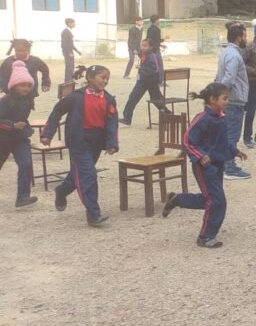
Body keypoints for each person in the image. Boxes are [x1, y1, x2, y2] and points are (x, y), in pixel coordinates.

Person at [163, 83, 247, 248]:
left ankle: (176, 199)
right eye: (224, 98)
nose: (227, 101)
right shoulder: (203, 118)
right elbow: (187, 141)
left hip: (218, 164)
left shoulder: (221, 118)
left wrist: (235, 151)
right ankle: (205, 237)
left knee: (210, 198)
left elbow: (223, 142)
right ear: (213, 99)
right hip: (204, 167)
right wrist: (200, 156)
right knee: (217, 201)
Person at [40, 65, 118, 226]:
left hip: (96, 141)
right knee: (89, 175)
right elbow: (57, 112)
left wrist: (112, 143)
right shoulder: (75, 97)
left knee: (79, 173)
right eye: (102, 77)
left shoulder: (109, 99)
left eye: (107, 79)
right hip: (79, 140)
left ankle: (61, 191)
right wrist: (47, 133)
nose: (105, 81)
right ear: (89, 78)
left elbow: (112, 123)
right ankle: (93, 214)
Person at [215, 23, 251, 180]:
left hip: (230, 100)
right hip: (234, 100)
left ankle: (224, 165)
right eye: (245, 36)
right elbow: (228, 79)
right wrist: (221, 95)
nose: (246, 39)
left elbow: (219, 76)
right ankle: (229, 168)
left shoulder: (226, 53)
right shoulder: (234, 55)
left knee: (226, 134)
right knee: (232, 135)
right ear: (238, 38)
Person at [0, 61, 38, 207]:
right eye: (22, 85)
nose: (26, 88)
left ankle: (22, 197)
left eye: (28, 85)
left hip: (19, 139)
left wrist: (27, 128)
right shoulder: (5, 101)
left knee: (26, 164)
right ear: (14, 86)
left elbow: (22, 118)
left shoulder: (28, 101)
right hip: (3, 139)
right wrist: (12, 125)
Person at [119, 39, 169, 126]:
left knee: (156, 100)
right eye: (142, 45)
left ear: (150, 47)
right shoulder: (144, 54)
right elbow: (140, 54)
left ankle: (169, 115)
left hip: (151, 81)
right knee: (133, 97)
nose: (142, 47)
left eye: (145, 46)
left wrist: (140, 68)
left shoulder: (151, 56)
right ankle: (127, 118)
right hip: (143, 80)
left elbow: (153, 69)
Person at [61, 18, 82, 82]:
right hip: (68, 52)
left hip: (70, 51)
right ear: (69, 23)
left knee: (71, 67)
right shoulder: (65, 32)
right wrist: (69, 52)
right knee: (69, 67)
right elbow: (64, 44)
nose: (74, 24)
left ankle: (70, 80)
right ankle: (68, 81)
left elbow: (71, 44)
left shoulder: (68, 31)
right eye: (73, 23)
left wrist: (77, 51)